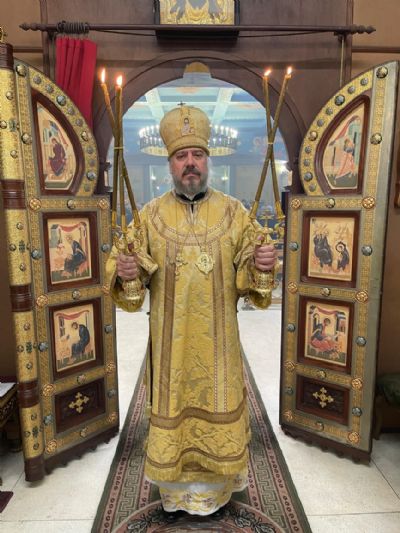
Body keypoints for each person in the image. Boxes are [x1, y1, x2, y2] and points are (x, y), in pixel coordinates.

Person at [106, 105, 277, 516]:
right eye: (181, 156)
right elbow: (129, 283)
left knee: (220, 404)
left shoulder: (236, 213)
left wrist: (262, 263)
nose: (190, 163)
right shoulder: (148, 217)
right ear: (169, 164)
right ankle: (176, 494)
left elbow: (254, 279)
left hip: (220, 346)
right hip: (172, 348)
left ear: (208, 160)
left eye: (197, 155)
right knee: (174, 412)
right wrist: (127, 272)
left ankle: (217, 490)